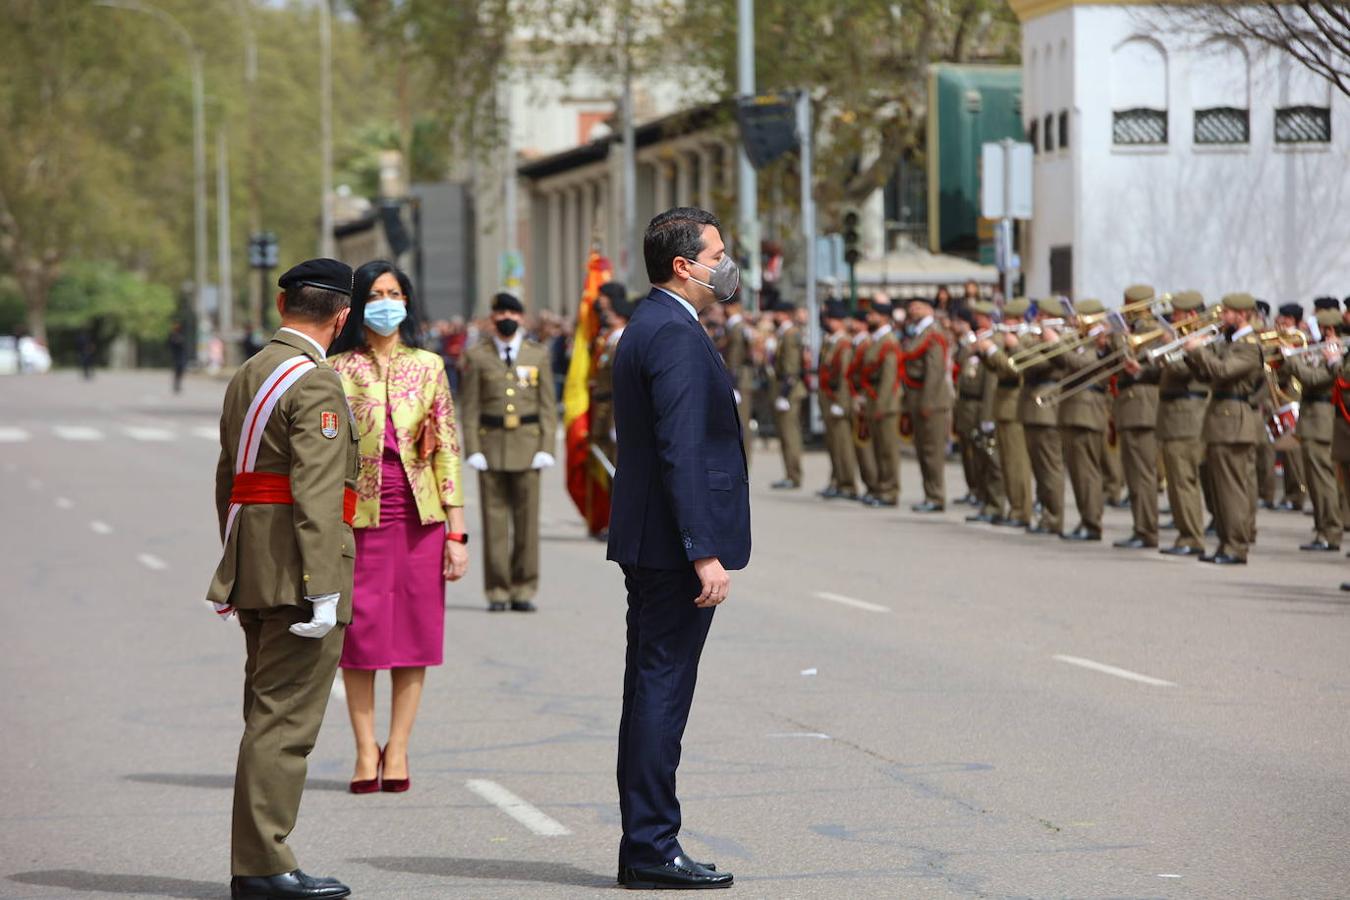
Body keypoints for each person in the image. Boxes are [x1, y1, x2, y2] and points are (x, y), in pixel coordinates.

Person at [205, 257, 358, 900]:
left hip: (256, 563)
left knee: (265, 713)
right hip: (300, 572)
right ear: (343, 317)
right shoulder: (314, 381)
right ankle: (265, 865)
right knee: (285, 721)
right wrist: (324, 586)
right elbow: (319, 494)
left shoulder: (250, 370)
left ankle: (257, 860)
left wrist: (239, 555)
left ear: (280, 304)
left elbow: (228, 479)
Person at [607, 207, 744, 890]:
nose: (728, 261)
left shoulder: (653, 324)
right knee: (661, 692)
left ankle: (648, 842)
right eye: (718, 252)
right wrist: (703, 549)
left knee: (651, 689)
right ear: (684, 265)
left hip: (651, 540)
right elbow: (680, 450)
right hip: (670, 548)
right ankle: (652, 848)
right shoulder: (672, 334)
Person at [327, 261, 469, 796]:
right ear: (358, 304)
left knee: (414, 632)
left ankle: (400, 746)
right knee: (360, 634)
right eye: (377, 293)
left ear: (408, 302)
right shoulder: (336, 369)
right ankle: (365, 748)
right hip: (358, 513)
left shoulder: (430, 366)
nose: (387, 302)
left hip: (419, 515)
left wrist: (457, 533)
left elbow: (448, 450)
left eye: (396, 293)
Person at [460, 292, 557, 612]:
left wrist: (546, 447)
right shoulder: (477, 356)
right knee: (495, 522)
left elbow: (547, 406)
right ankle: (498, 590)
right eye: (500, 312)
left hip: (528, 446)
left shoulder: (537, 354)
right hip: (491, 445)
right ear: (491, 317)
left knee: (527, 524)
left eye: (512, 313)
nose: (506, 317)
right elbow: (470, 407)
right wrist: (472, 447)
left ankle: (523, 587)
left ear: (522, 319)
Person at [1184, 292, 1264, 564]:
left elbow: (1222, 371)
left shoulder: (1249, 346)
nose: (1221, 317)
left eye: (1227, 312)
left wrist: (1199, 350)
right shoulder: (1229, 342)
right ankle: (1225, 542)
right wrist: (1191, 354)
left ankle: (1236, 546)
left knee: (1232, 489)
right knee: (1219, 488)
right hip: (1220, 420)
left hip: (1234, 420)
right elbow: (1206, 375)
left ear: (1241, 315)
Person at [1142, 290, 1210, 557]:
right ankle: (1186, 534)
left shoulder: (1200, 340)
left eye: (1178, 315)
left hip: (1187, 416)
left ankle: (1192, 537)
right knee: (1177, 481)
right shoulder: (1186, 340)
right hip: (1173, 416)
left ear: (1191, 315)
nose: (1174, 319)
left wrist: (1172, 345)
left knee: (1184, 481)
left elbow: (1184, 371)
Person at [1283, 307, 1343, 551]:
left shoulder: (1337, 352)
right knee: (1314, 481)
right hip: (1310, 420)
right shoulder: (1321, 350)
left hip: (1322, 421)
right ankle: (1321, 530)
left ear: (1329, 330)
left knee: (1323, 480)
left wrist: (1293, 358)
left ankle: (1330, 531)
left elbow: (1314, 379)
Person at [1051, 298, 1110, 542]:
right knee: (1077, 472)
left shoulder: (1099, 343)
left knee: (1087, 473)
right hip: (1073, 411)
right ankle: (1086, 518)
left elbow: (1081, 365)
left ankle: (1092, 522)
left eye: (1079, 318)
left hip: (1087, 412)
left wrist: (1057, 344)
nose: (1074, 322)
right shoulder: (1081, 341)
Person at [977, 298, 1034, 527]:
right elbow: (996, 369)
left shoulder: (1027, 340)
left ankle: (1022, 511)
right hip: (1003, 406)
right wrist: (985, 353)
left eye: (1009, 319)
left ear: (1019, 319)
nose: (1005, 323)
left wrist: (993, 349)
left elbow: (1014, 370)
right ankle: (1014, 508)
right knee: (1007, 464)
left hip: (1015, 405)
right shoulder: (1012, 339)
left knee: (1017, 464)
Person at [1114, 285, 1162, 549]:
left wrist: (1120, 339)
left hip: (1142, 407)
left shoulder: (1149, 330)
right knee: (1134, 474)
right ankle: (1140, 527)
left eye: (1127, 303)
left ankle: (1147, 530)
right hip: (1131, 408)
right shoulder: (1135, 330)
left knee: (1142, 474)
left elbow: (1146, 365)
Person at [900, 296, 953, 512]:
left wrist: (927, 401)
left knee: (932, 451)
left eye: (919, 306)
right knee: (922, 450)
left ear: (930, 309)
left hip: (931, 399)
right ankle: (929, 494)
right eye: (911, 306)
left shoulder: (934, 334)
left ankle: (936, 496)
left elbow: (934, 371)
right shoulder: (919, 332)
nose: (914, 310)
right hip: (918, 397)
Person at [1019, 298, 1066, 536]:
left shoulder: (1062, 339)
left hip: (1048, 405)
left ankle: (1054, 517)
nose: (1037, 320)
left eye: (1042, 316)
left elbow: (1036, 363)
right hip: (1031, 406)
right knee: (1039, 467)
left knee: (1050, 467)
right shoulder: (1039, 338)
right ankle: (1045, 513)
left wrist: (1021, 346)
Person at [854, 296, 902, 507]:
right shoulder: (876, 340)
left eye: (873, 314)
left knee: (887, 451)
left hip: (886, 404)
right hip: (874, 401)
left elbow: (889, 378)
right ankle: (881, 488)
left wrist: (880, 405)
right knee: (878, 449)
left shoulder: (888, 341)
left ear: (883, 317)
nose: (869, 317)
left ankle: (890, 491)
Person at [818, 299, 860, 500]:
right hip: (828, 398)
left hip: (837, 400)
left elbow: (844, 375)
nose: (829, 322)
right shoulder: (831, 341)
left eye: (833, 319)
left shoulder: (844, 344)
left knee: (843, 446)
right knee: (834, 445)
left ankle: (848, 484)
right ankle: (837, 480)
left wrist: (841, 404)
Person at [770, 299, 806, 489]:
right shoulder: (786, 334)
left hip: (790, 391)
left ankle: (794, 475)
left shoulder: (791, 334)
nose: (774, 317)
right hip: (785, 389)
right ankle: (790, 474)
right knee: (785, 434)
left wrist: (784, 393)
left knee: (790, 434)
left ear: (783, 314)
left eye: (777, 313)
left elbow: (791, 366)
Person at [847, 308, 881, 502]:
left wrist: (861, 395)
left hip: (865, 396)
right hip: (859, 396)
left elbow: (865, 372)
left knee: (867, 445)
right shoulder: (858, 344)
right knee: (861, 445)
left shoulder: (866, 344)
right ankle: (870, 485)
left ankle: (874, 485)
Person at [717, 293, 756, 463]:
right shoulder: (734, 326)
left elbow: (735, 357)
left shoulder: (737, 327)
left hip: (739, 380)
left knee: (741, 423)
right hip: (737, 379)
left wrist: (733, 383)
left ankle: (743, 461)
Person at [169, 321, 189, 394]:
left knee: (181, 371)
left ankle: (178, 384)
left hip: (181, 356)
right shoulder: (172, 336)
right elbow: (171, 344)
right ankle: (176, 384)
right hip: (176, 356)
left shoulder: (181, 335)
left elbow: (183, 346)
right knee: (177, 371)